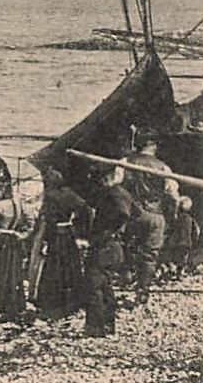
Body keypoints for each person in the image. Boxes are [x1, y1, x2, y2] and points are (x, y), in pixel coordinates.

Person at [32, 168, 89, 320]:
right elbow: (85, 208)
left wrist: (44, 240)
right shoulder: (69, 193)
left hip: (56, 234)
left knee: (54, 268)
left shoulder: (51, 196)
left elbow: (48, 219)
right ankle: (73, 302)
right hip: (68, 232)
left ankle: (53, 304)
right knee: (70, 266)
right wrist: (77, 224)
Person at [125, 136, 175, 305]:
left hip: (133, 212)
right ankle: (142, 290)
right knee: (150, 254)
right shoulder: (164, 167)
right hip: (155, 214)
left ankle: (127, 278)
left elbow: (114, 184)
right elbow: (172, 194)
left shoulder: (126, 161)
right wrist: (171, 215)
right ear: (153, 146)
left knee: (128, 246)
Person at [85, 166, 133, 337]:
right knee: (104, 285)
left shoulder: (113, 194)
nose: (99, 184)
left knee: (94, 283)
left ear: (107, 178)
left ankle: (96, 328)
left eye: (101, 180)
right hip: (114, 245)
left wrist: (109, 232)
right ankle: (108, 325)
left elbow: (124, 214)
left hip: (107, 245)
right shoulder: (124, 193)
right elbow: (135, 214)